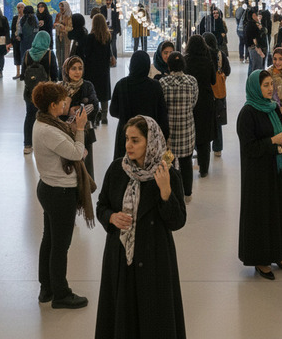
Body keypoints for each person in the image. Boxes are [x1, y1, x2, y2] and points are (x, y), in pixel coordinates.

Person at [94, 116, 187, 339]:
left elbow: (177, 221)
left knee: (153, 317)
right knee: (123, 315)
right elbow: (101, 206)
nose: (128, 145)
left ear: (150, 141)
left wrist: (166, 192)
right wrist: (111, 217)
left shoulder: (167, 174)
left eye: (135, 140)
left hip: (154, 259)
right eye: (127, 139)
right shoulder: (118, 169)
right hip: (121, 259)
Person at [31, 81, 97, 310]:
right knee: (60, 245)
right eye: (62, 101)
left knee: (50, 240)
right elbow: (77, 153)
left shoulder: (44, 121)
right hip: (59, 193)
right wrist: (80, 129)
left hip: (49, 188)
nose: (65, 104)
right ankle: (60, 294)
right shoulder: (49, 130)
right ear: (52, 105)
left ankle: (46, 288)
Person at [236, 70, 282, 280]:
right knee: (260, 216)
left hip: (275, 171)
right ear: (255, 87)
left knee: (277, 212)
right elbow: (249, 148)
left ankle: (278, 254)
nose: (271, 89)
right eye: (265, 85)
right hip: (257, 176)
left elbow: (279, 133)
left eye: (271, 84)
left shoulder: (273, 107)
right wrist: (273, 141)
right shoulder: (247, 113)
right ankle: (261, 260)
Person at [109, 51, 170, 160]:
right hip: (148, 136)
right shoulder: (155, 86)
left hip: (126, 135)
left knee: (124, 166)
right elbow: (162, 115)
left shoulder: (121, 84)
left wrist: (124, 114)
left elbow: (113, 111)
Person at [157, 52, 198, 200]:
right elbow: (193, 103)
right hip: (186, 131)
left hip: (169, 133)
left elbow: (161, 106)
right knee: (186, 163)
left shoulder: (162, 83)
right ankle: (187, 193)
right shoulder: (192, 81)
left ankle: (171, 192)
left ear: (169, 66)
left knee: (169, 163)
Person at [61, 56, 100, 179]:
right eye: (73, 68)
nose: (77, 72)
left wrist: (78, 111)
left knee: (85, 168)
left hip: (84, 132)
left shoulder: (87, 86)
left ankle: (86, 189)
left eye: (80, 68)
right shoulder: (60, 87)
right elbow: (55, 110)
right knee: (68, 167)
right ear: (67, 70)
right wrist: (69, 112)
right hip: (65, 133)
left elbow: (94, 106)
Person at [183, 35, 216, 180]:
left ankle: (187, 165)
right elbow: (213, 81)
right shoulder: (207, 61)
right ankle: (204, 169)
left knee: (189, 133)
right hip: (205, 101)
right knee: (204, 136)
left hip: (189, 100)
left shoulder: (185, 61)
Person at [22, 32, 59, 155]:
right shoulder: (49, 54)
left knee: (29, 116)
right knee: (47, 118)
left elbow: (22, 75)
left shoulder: (27, 54)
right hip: (46, 92)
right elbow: (55, 75)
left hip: (30, 92)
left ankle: (27, 145)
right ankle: (46, 146)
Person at [202, 33, 231, 158]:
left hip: (206, 91)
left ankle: (204, 147)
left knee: (205, 121)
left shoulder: (203, 55)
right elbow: (228, 71)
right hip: (219, 92)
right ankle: (218, 148)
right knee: (217, 121)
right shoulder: (220, 54)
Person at [86, 13, 115, 122]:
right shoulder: (107, 37)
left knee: (94, 91)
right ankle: (104, 116)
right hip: (104, 69)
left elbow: (87, 54)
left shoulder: (90, 37)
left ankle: (96, 114)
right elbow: (109, 53)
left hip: (92, 68)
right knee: (104, 91)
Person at [243, 10, 266, 76]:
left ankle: (251, 80)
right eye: (256, 15)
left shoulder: (250, 24)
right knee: (257, 67)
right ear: (253, 16)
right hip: (255, 48)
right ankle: (255, 80)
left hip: (252, 48)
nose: (257, 17)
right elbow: (254, 39)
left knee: (252, 66)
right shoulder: (252, 25)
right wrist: (258, 48)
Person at [10, 2, 26, 79]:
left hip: (23, 40)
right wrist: (12, 39)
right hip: (16, 39)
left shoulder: (26, 18)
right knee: (16, 56)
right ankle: (18, 73)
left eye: (21, 7)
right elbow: (13, 29)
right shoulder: (15, 18)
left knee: (24, 55)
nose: (19, 9)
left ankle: (24, 73)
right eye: (18, 7)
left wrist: (21, 36)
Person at [55, 1, 73, 67]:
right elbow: (55, 24)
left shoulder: (69, 16)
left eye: (62, 6)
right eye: (60, 6)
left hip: (66, 36)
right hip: (58, 35)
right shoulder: (58, 15)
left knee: (65, 52)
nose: (61, 8)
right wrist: (58, 25)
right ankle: (60, 67)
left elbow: (70, 27)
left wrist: (63, 27)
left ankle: (65, 67)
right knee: (58, 52)